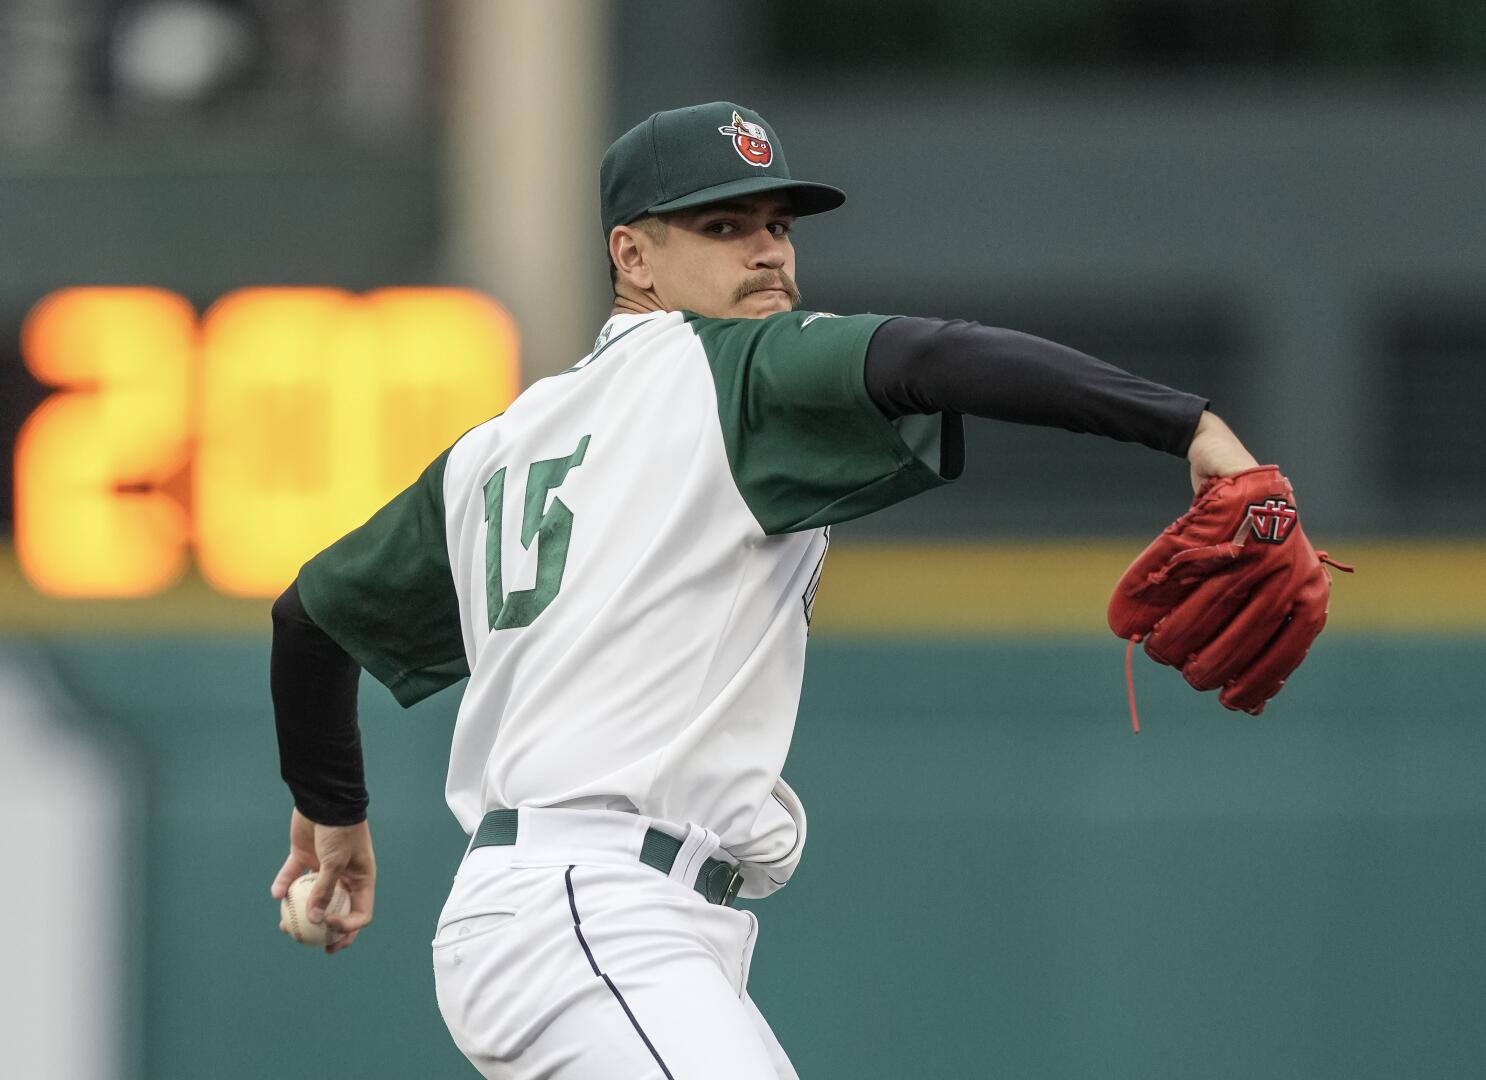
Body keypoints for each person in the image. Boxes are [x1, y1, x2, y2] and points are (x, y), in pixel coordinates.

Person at [267, 101, 1259, 1079]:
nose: (768, 251)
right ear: (633, 256)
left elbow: (310, 618)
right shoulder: (727, 370)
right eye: (722, 225)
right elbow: (931, 358)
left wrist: (333, 812)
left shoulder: (495, 448)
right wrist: (1188, 427)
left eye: (778, 225)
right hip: (591, 912)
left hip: (590, 921)